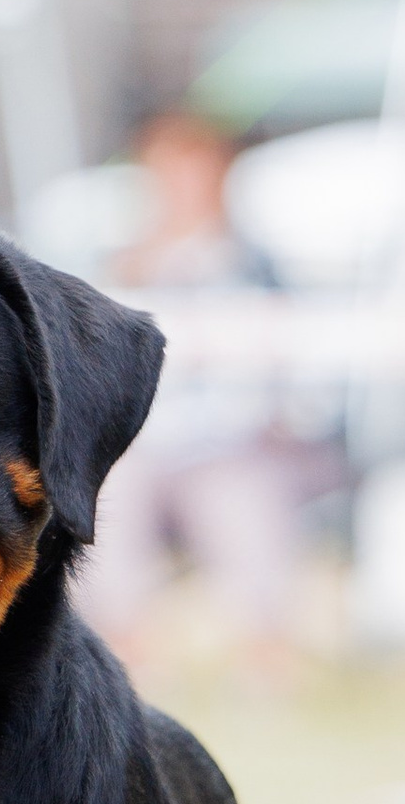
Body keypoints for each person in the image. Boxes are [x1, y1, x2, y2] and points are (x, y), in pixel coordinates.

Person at [79, 110, 305, 683]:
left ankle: (265, 656)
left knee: (248, 500)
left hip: (229, 443)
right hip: (141, 445)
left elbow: (291, 363)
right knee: (106, 503)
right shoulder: (116, 262)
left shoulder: (256, 263)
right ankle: (126, 657)